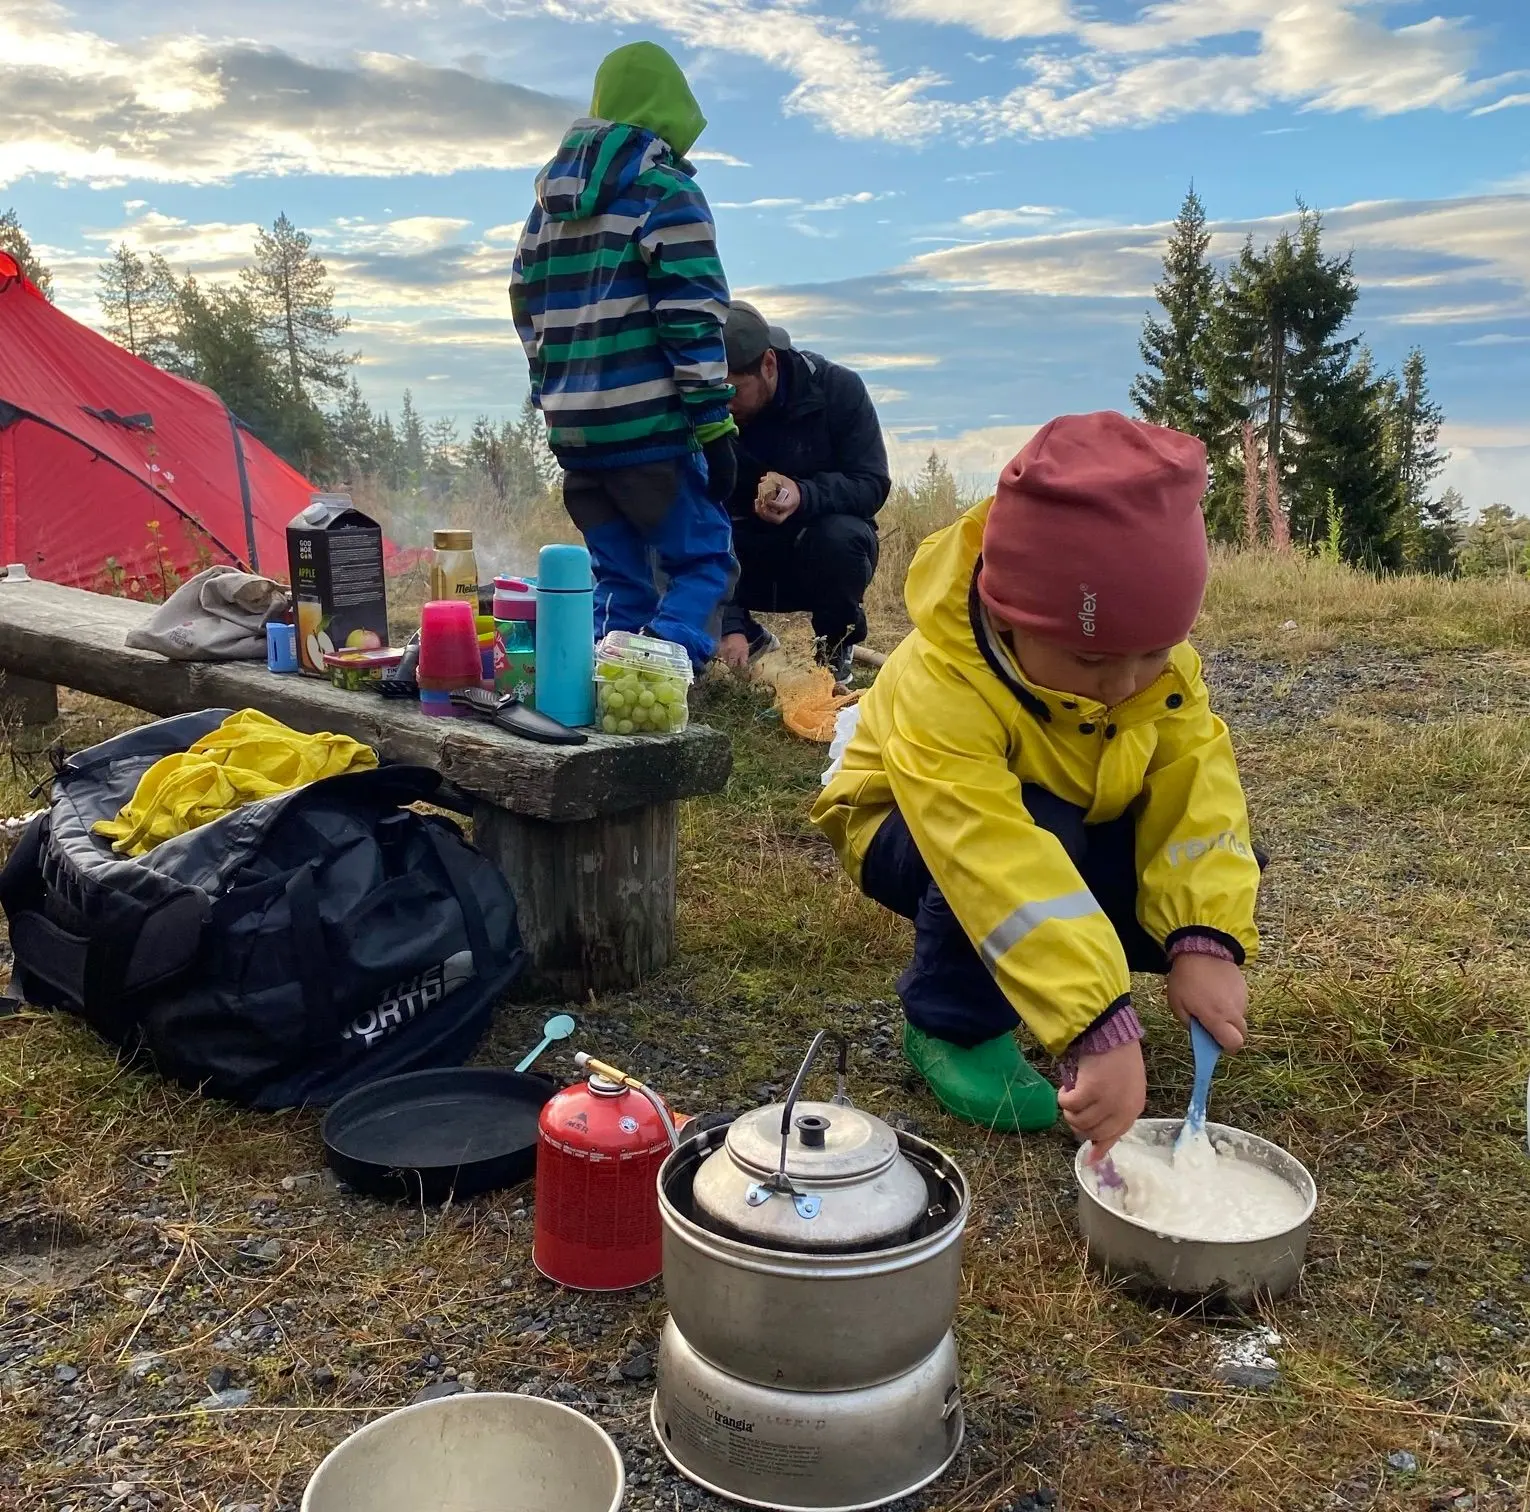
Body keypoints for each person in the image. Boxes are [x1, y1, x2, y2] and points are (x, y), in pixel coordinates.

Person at [811, 411, 1261, 1154]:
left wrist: (1204, 939)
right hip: (905, 823)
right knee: (1041, 829)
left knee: (1156, 859)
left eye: (1154, 653)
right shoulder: (944, 678)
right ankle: (952, 1024)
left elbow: (1198, 800)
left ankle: (1068, 971)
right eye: (1091, 662)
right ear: (1007, 615)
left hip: (1062, 817)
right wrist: (1095, 1020)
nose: (1126, 683)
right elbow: (985, 850)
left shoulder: (1160, 674)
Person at [510, 42, 739, 669]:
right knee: (703, 560)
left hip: (576, 435)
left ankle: (603, 676)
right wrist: (712, 419)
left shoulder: (543, 215)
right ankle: (658, 671)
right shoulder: (666, 194)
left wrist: (553, 395)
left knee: (619, 576)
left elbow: (526, 310)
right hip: (650, 428)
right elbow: (690, 311)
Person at [716, 302, 890, 686]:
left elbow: (872, 483)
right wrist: (728, 621)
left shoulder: (838, 390)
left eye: (732, 390)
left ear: (769, 364)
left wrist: (804, 494)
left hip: (813, 554)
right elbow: (697, 509)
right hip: (741, 557)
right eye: (713, 391)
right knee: (669, 530)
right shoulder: (707, 412)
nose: (723, 404)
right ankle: (750, 639)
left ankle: (834, 650)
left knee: (842, 537)